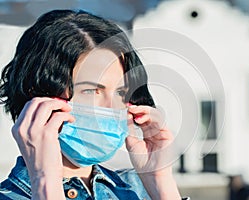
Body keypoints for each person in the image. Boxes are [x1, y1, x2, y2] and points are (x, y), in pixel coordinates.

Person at [0, 9, 186, 199]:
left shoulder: (138, 190)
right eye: (91, 91)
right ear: (39, 94)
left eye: (121, 92)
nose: (112, 107)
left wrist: (160, 181)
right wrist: (45, 181)